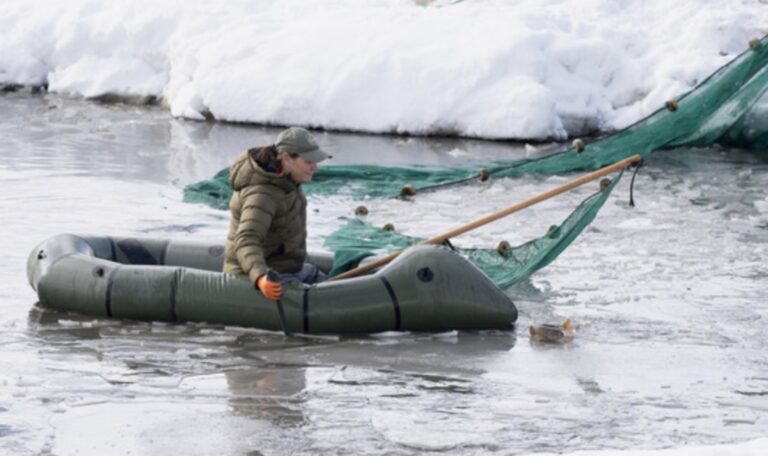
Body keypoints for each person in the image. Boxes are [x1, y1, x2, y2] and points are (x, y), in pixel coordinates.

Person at [223, 127, 331, 301]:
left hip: (286, 267)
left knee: (328, 284)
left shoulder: (287, 181)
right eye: (308, 160)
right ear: (287, 158)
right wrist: (261, 277)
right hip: (263, 274)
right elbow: (246, 240)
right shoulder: (262, 195)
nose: (314, 166)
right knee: (324, 299)